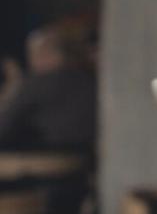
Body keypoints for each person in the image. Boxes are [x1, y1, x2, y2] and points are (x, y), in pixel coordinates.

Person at [0, 25, 97, 154]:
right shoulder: (89, 79)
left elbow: (3, 128)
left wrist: (13, 86)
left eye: (34, 55)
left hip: (48, 156)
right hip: (86, 154)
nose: (32, 63)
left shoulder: (38, 83)